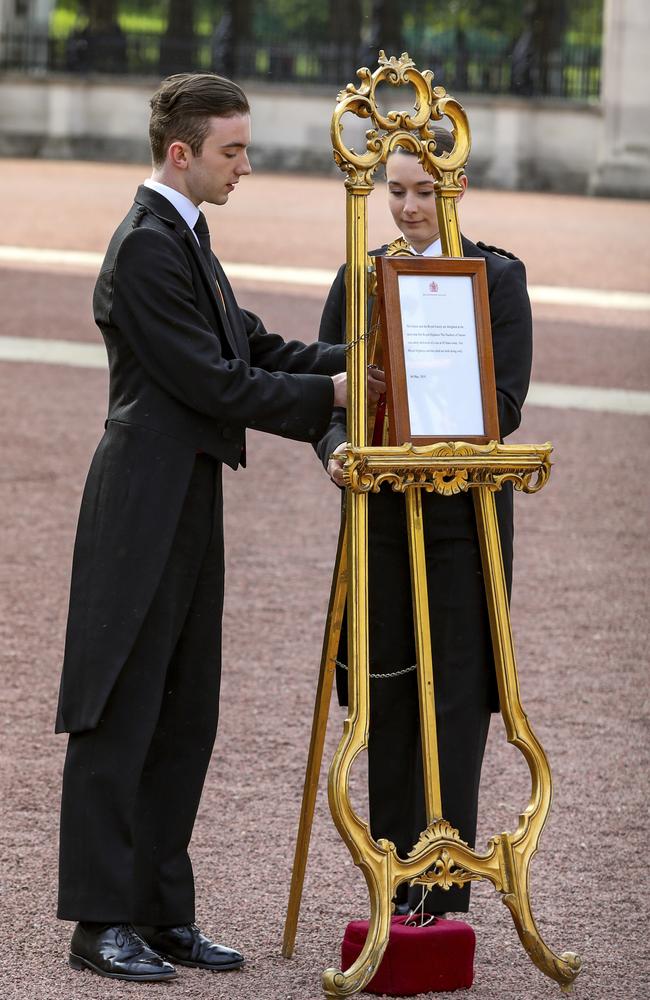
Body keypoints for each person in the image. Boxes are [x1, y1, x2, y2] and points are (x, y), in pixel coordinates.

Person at [55, 71, 384, 983]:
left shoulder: (186, 238)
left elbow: (254, 347)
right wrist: (334, 393)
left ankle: (162, 916)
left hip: (187, 491)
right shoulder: (147, 248)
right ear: (181, 153)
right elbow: (215, 383)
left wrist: (370, 352)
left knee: (185, 712)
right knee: (120, 709)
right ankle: (99, 922)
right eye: (231, 151)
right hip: (139, 500)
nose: (246, 166)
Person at [315, 134, 532, 918]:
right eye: (395, 191)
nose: (407, 207)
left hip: (459, 522)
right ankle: (391, 880)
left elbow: (504, 408)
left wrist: (427, 399)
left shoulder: (498, 279)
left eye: (421, 191)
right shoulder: (360, 275)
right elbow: (321, 392)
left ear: (456, 185)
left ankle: (442, 892)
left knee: (456, 698)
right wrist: (339, 451)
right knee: (386, 697)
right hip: (378, 519)